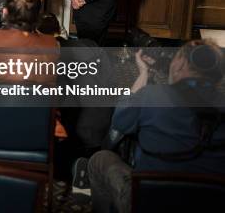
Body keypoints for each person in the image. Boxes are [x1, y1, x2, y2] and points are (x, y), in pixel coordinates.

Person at [87, 40, 225, 213]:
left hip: (150, 203)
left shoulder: (151, 96)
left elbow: (120, 121)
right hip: (209, 204)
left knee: (100, 160)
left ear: (181, 63)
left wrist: (142, 73)